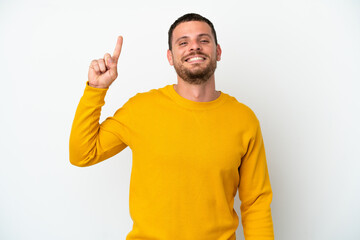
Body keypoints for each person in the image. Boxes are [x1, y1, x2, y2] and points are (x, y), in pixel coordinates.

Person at [70, 13, 274, 240]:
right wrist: (95, 90)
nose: (194, 47)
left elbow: (256, 203)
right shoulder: (141, 109)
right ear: (170, 56)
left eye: (203, 40)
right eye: (183, 42)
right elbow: (82, 154)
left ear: (218, 51)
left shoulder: (244, 119)